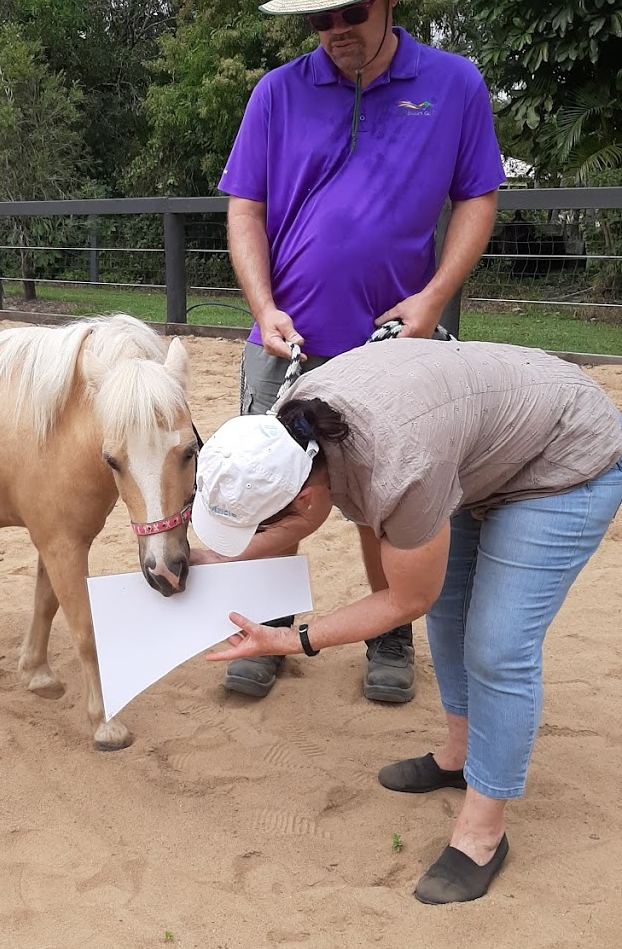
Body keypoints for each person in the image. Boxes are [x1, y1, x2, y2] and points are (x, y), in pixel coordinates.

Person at [190, 338, 622, 904]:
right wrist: (208, 561)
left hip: (564, 457)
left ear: (304, 500)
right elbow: (287, 528)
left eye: (258, 530)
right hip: (477, 445)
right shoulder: (285, 433)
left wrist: (291, 639)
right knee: (451, 608)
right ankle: (461, 756)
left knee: (498, 645)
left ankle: (484, 830)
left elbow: (404, 599)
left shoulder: (400, 469)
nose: (255, 542)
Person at [217, 0, 505, 706]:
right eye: (322, 16)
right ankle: (265, 634)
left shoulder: (453, 85)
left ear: (390, 4)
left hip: (394, 347)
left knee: (389, 497)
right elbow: (244, 205)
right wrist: (262, 304)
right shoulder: (276, 94)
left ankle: (388, 633)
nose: (337, 29)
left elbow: (478, 196)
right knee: (269, 492)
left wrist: (434, 298)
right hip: (286, 341)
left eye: (354, 11)